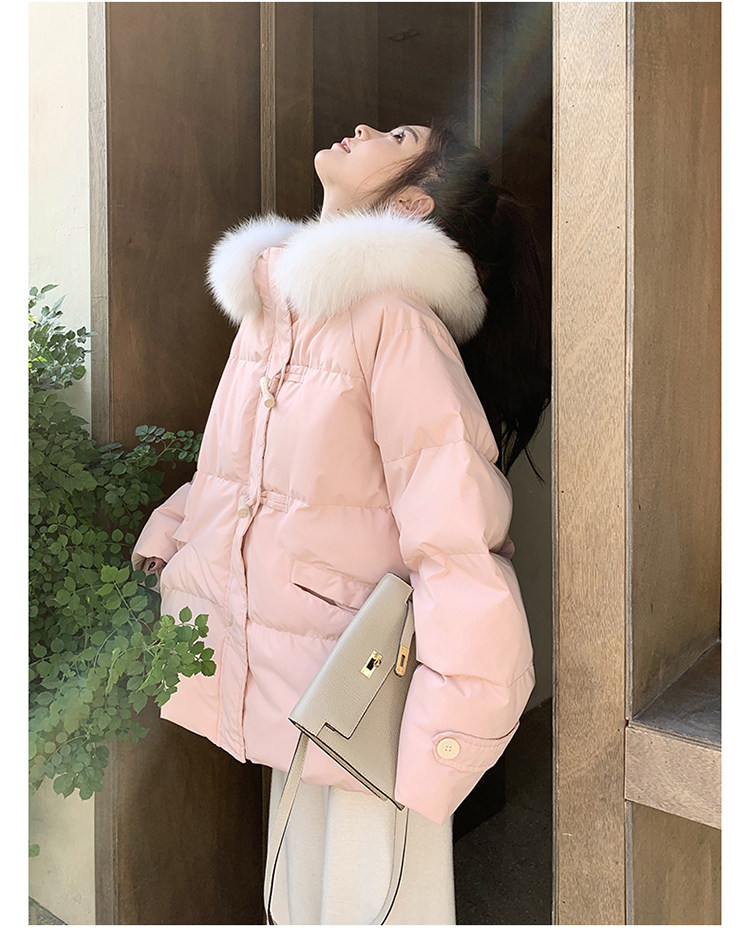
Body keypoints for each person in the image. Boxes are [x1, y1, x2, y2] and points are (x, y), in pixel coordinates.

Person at [131, 119, 550, 925]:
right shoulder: (277, 310)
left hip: (365, 687)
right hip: (296, 669)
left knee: (369, 899)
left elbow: (456, 534)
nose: (362, 128)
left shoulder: (395, 321)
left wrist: (452, 722)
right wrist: (176, 528)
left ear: (412, 203)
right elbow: (244, 468)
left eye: (397, 134)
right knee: (299, 895)